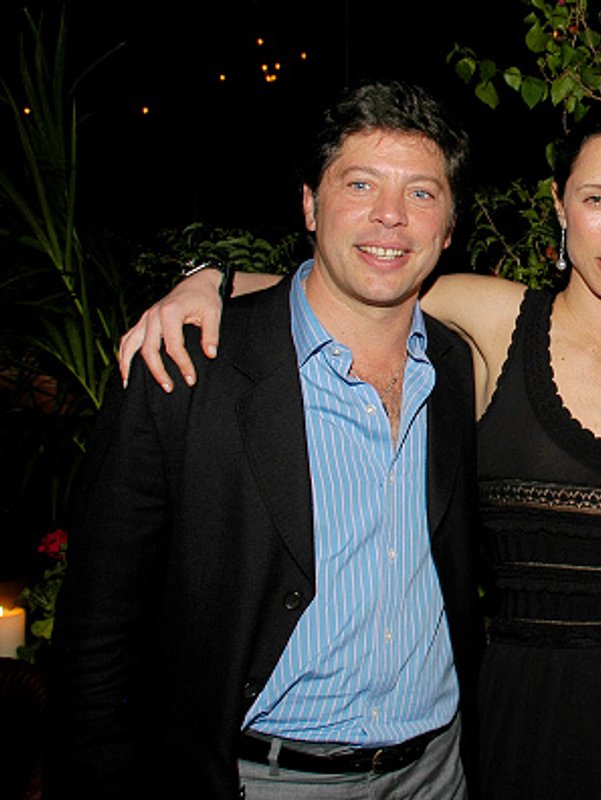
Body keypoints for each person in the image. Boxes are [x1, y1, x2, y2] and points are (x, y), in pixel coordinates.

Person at [117, 106, 601, 798]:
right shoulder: (486, 316)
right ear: (560, 205)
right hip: (535, 710)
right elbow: (345, 291)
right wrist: (205, 280)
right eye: (597, 198)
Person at [51, 81, 484, 800]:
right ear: (311, 204)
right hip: (264, 779)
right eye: (360, 183)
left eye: (420, 193)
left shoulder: (454, 364)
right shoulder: (188, 367)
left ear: (448, 225)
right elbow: (98, 633)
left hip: (437, 773)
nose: (389, 216)